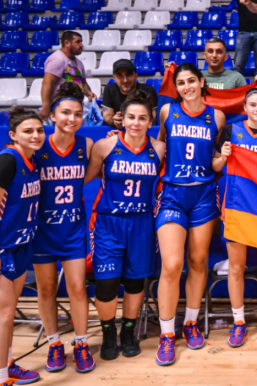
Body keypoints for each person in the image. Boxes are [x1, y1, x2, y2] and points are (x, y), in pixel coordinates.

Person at [154, 63, 226, 367]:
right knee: (172, 264)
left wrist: (225, 158)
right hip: (172, 192)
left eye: (191, 81)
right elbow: (159, 144)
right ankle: (167, 335)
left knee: (198, 261)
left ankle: (191, 323)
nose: (186, 87)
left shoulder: (217, 116)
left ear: (201, 82)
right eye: (181, 83)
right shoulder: (168, 112)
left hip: (203, 195)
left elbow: (214, 161)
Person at [84, 91, 163, 363]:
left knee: (133, 282)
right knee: (106, 284)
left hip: (142, 223)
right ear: (122, 119)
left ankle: (128, 332)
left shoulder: (159, 149)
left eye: (142, 118)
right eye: (131, 117)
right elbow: (83, 179)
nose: (136, 123)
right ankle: (108, 333)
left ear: (151, 120)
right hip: (108, 222)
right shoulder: (105, 147)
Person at [211, 88, 257, 348]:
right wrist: (223, 156)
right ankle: (239, 322)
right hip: (236, 207)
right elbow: (215, 167)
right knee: (236, 266)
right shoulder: (231, 131)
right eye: (252, 105)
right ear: (245, 108)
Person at [33, 83, 94, 373]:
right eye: (66, 113)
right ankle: (54, 343)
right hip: (42, 230)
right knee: (45, 289)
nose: (72, 118)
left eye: (78, 114)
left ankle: (81, 344)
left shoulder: (86, 145)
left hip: (72, 229)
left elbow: (89, 176)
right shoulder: (38, 145)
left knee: (77, 288)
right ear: (53, 116)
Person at [0, 108, 44, 386]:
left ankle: (7, 364)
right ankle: (2, 377)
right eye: (28, 131)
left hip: (22, 243)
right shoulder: (8, 160)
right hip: (4, 247)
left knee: (9, 309)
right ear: (13, 135)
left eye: (39, 130)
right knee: (5, 314)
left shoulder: (33, 161)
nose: (36, 135)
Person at [41, 31, 96, 121]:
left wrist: (89, 93)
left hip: (74, 106)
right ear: (67, 43)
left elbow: (83, 83)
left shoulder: (79, 63)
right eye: (77, 42)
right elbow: (47, 83)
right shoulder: (57, 59)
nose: (81, 45)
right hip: (60, 108)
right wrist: (46, 106)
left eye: (81, 42)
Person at [102, 59, 159, 128]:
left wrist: (127, 122)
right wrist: (114, 120)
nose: (125, 80)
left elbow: (153, 118)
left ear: (136, 76)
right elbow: (107, 115)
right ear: (114, 78)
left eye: (129, 74)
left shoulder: (148, 90)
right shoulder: (109, 89)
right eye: (120, 75)